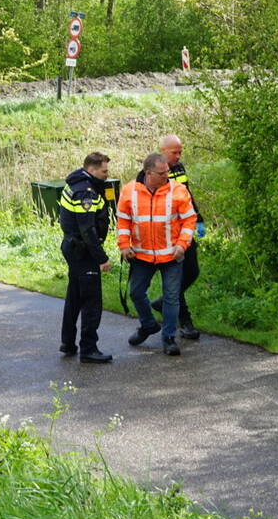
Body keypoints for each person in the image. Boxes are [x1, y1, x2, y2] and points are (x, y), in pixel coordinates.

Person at [117, 153, 198, 356]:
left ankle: (169, 338)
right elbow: (124, 220)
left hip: (172, 255)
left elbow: (189, 220)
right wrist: (124, 245)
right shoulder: (129, 191)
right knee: (136, 292)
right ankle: (148, 325)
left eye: (167, 172)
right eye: (161, 173)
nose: (166, 176)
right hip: (142, 255)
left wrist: (182, 245)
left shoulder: (178, 190)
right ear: (148, 173)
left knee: (171, 297)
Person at [147, 134, 204, 339]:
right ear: (163, 151)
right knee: (175, 276)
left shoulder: (179, 169)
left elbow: (187, 195)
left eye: (180, 152)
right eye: (174, 152)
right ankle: (185, 322)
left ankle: (164, 302)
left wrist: (198, 218)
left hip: (184, 230)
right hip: (165, 235)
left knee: (192, 271)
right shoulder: (150, 173)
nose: (178, 156)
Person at [58, 152, 113, 363]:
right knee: (91, 302)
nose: (107, 175)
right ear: (91, 169)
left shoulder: (77, 183)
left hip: (74, 248)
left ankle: (68, 342)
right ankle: (89, 349)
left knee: (74, 297)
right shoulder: (85, 192)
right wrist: (101, 258)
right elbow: (87, 229)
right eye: (104, 171)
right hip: (83, 252)